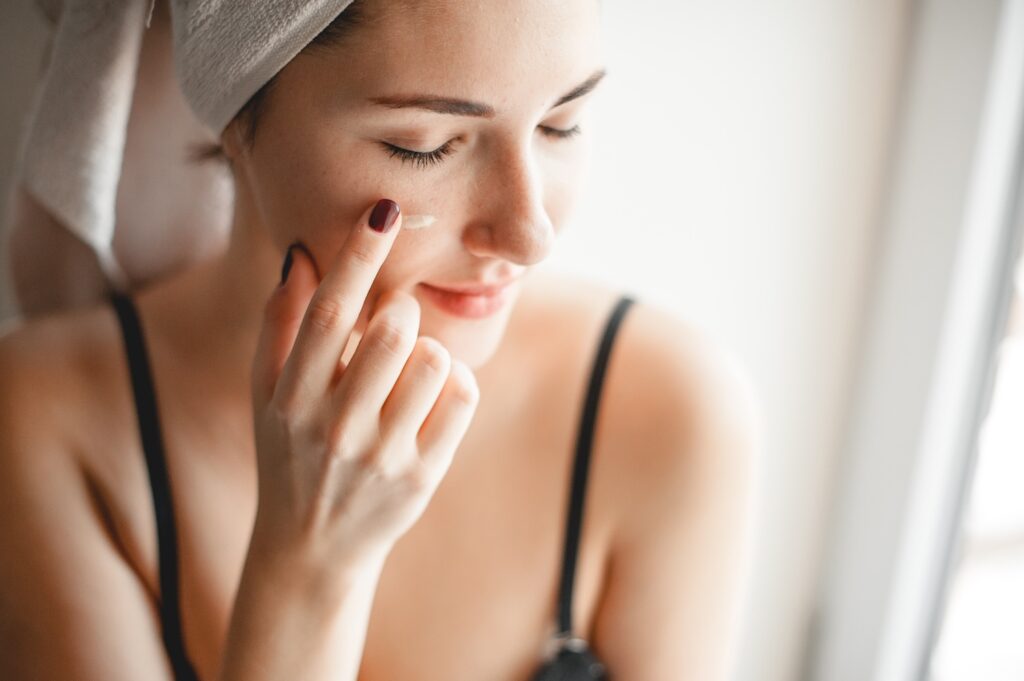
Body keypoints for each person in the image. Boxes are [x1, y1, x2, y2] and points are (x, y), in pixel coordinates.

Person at [0, 1, 760, 679]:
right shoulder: (48, 423)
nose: (530, 235)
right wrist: (308, 570)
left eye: (561, 123)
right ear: (237, 118)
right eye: (425, 145)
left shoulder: (666, 415)